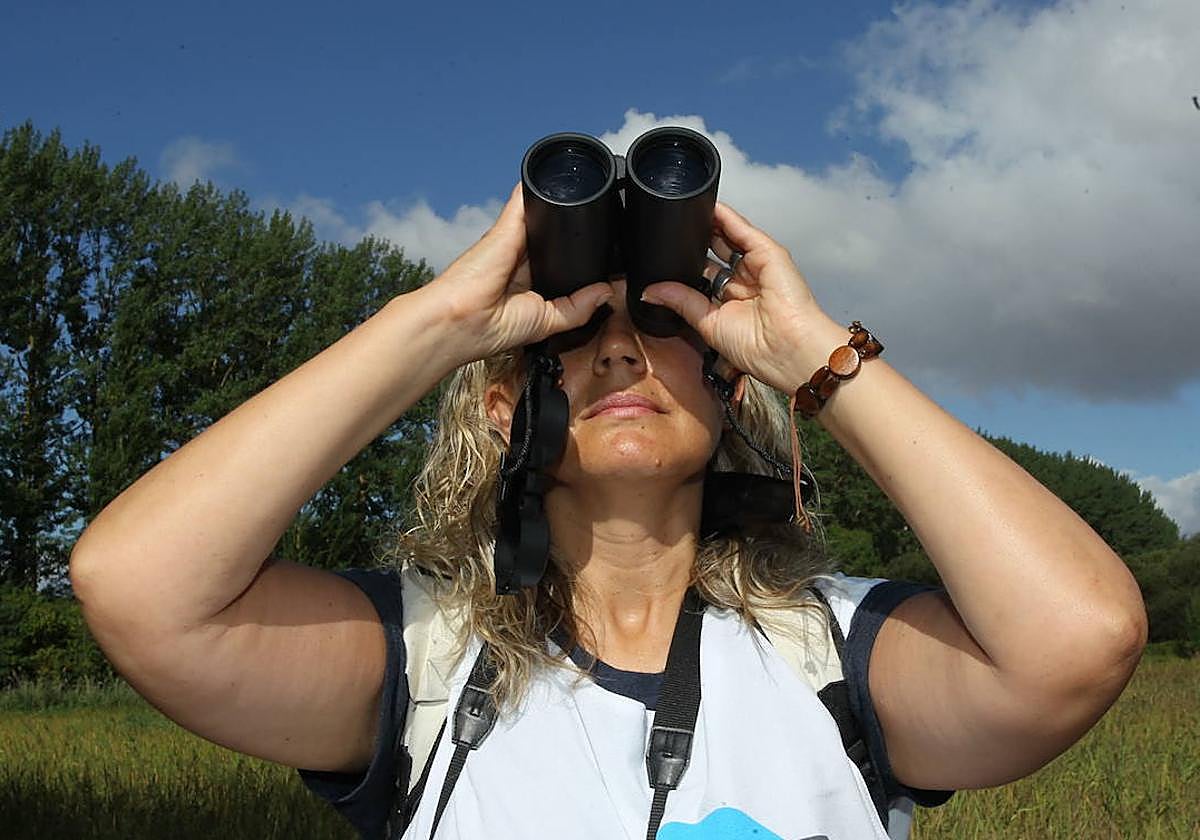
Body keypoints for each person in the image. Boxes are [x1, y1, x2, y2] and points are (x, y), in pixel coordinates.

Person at [69, 182, 1147, 840]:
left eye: (663, 327)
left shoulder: (832, 651)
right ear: (503, 408)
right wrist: (437, 322)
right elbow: (139, 588)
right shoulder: (430, 663)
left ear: (729, 394)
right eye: (570, 335)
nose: (619, 349)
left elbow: (1080, 641)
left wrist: (817, 358)